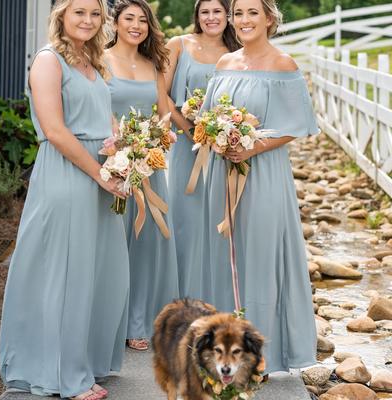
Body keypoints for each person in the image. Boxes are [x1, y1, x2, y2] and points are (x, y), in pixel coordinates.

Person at [0, 1, 130, 399]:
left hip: (101, 173)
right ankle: (63, 374)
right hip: (68, 173)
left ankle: (85, 360)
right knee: (68, 273)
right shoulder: (47, 60)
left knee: (100, 271)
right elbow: (55, 130)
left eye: (94, 13)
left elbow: (105, 119)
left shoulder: (95, 61)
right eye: (79, 12)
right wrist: (100, 173)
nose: (88, 20)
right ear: (61, 16)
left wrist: (123, 155)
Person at [202, 0, 318, 374]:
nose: (244, 20)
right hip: (222, 174)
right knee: (225, 255)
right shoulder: (224, 64)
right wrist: (220, 140)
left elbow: (296, 126)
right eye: (238, 13)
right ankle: (222, 352)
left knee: (263, 255)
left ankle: (264, 353)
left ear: (269, 18)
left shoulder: (284, 65)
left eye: (253, 12)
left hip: (265, 173)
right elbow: (207, 119)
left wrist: (251, 146)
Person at [105, 0, 179, 351]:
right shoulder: (100, 60)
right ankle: (108, 320)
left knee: (148, 243)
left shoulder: (154, 64)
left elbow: (163, 112)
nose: (136, 25)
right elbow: (98, 108)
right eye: (128, 18)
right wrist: (121, 147)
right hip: (112, 165)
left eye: (142, 20)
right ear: (116, 23)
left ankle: (137, 322)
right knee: (112, 242)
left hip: (150, 164)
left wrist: (163, 135)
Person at [165, 0, 240, 299]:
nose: (211, 18)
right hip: (186, 147)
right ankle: (179, 299)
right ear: (197, 16)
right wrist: (191, 130)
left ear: (227, 16)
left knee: (215, 224)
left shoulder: (235, 54)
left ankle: (213, 299)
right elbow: (163, 94)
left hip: (221, 152)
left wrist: (223, 134)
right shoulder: (178, 45)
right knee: (184, 221)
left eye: (217, 11)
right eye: (205, 12)